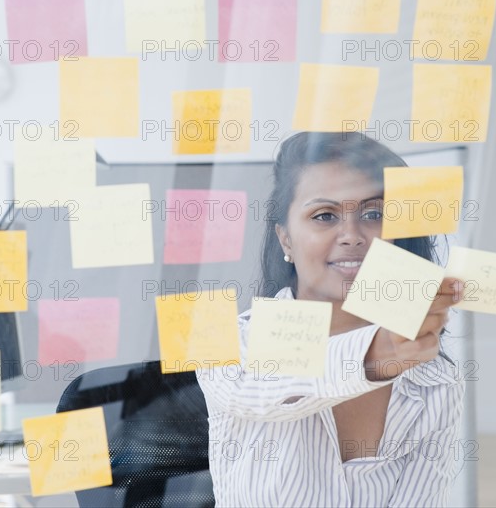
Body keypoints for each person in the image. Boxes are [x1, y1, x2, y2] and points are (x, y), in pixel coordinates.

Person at [197, 131, 466, 507]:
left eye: (373, 214)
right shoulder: (225, 339)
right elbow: (264, 387)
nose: (352, 236)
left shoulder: (434, 380)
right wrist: (378, 355)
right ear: (286, 240)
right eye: (324, 216)